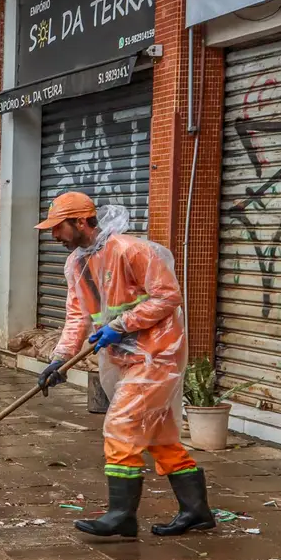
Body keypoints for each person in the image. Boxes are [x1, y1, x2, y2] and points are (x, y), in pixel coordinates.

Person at [36, 191, 214, 538]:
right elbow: (77, 316)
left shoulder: (133, 250)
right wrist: (59, 360)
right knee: (158, 435)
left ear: (82, 222)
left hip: (157, 354)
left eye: (58, 228)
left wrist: (120, 325)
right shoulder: (76, 264)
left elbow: (168, 296)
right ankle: (196, 511)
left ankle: (121, 515)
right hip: (124, 357)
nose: (53, 235)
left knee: (121, 425)